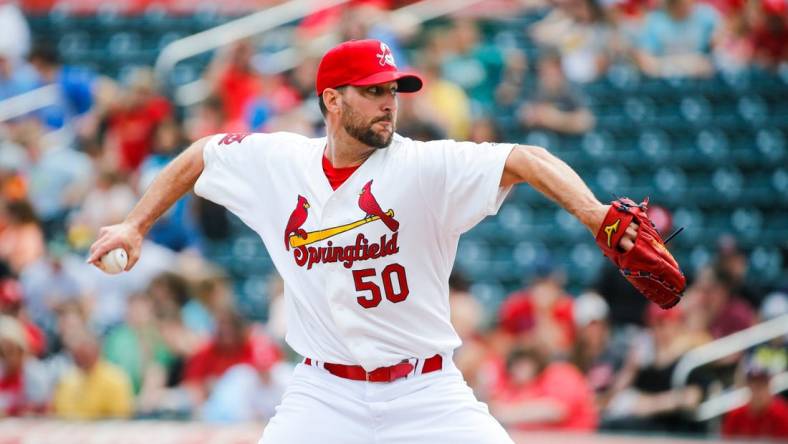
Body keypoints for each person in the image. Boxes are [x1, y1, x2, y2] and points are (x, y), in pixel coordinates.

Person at [88, 39, 650, 444]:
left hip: (424, 390)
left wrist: (596, 214)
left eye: (395, 90)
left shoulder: (425, 165)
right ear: (332, 101)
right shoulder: (279, 162)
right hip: (322, 391)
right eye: (373, 91)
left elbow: (526, 159)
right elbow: (200, 154)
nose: (390, 101)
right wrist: (136, 225)